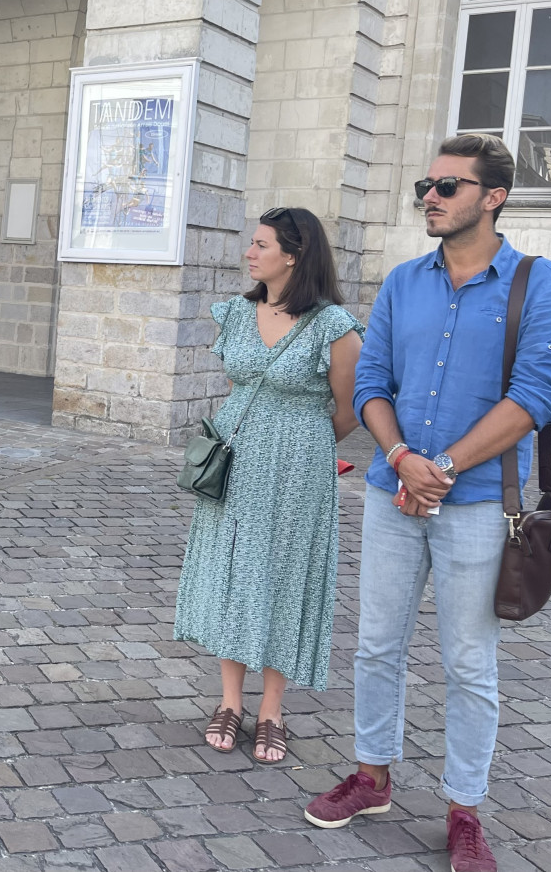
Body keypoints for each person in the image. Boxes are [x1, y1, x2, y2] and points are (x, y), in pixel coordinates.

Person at [304, 134, 551, 872]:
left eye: (447, 186)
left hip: (480, 506)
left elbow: (537, 396)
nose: (429, 195)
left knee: (467, 662)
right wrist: (398, 458)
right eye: (425, 183)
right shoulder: (401, 282)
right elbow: (371, 385)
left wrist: (445, 467)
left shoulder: (536, 283)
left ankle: (463, 811)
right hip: (392, 494)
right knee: (377, 646)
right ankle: (371, 776)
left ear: (492, 198)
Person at [174, 206, 363, 764]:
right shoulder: (235, 312)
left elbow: (350, 410)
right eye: (251, 243)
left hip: (298, 471)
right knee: (233, 571)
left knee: (284, 575)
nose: (249, 252)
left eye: (260, 244)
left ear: (293, 254)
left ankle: (272, 710)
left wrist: (299, 446)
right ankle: (229, 702)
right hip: (234, 466)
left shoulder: (333, 326)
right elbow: (240, 384)